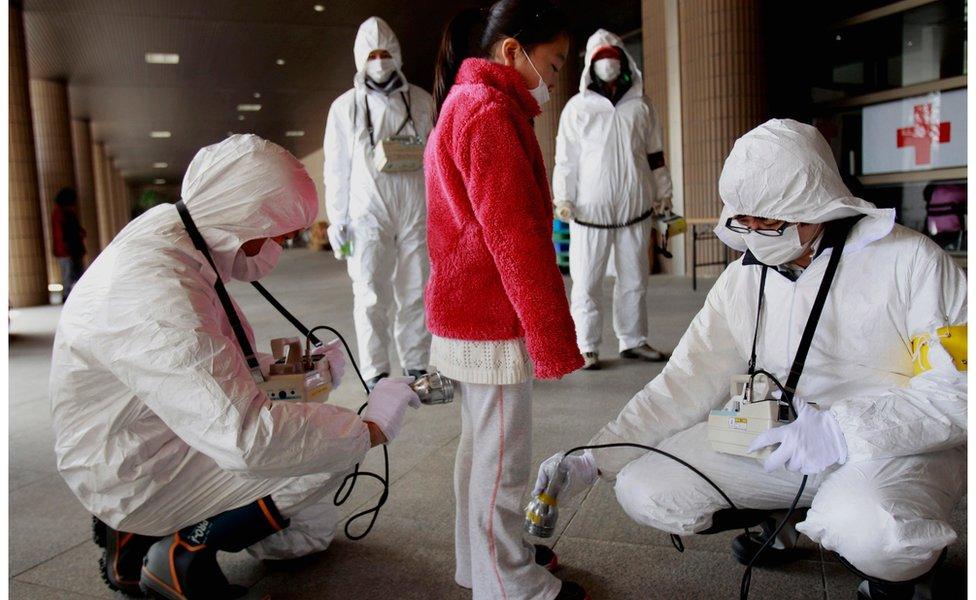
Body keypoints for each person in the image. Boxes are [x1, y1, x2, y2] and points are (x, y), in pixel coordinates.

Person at [534, 120, 967, 599]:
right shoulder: (744, 277)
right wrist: (597, 456)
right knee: (646, 485)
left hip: (884, 445)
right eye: (745, 221)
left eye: (771, 222)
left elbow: (960, 387)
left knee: (874, 531)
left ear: (817, 203)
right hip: (780, 437)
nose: (756, 235)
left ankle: (902, 572)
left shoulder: (910, 261)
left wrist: (845, 430)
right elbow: (686, 380)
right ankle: (783, 514)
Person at [50, 135, 421, 599]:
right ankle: (180, 549)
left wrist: (300, 369)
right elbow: (249, 436)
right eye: (279, 235)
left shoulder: (179, 240)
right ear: (245, 219)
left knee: (308, 533)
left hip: (150, 432)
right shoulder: (158, 288)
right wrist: (367, 428)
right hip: (134, 462)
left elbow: (214, 365)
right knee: (322, 455)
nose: (280, 247)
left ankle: (142, 533)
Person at [427, 2, 587, 599]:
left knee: (479, 454)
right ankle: (508, 585)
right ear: (513, 51)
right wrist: (550, 336)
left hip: (467, 310)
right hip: (491, 317)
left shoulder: (467, 105)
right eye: (553, 62)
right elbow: (515, 236)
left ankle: (483, 564)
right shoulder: (490, 113)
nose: (555, 77)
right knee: (502, 465)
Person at [324, 16, 436, 390]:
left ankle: (417, 362)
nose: (379, 60)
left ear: (398, 55)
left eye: (385, 52)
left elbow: (436, 158)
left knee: (416, 288)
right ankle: (375, 369)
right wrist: (337, 219)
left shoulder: (420, 101)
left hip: (415, 208)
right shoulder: (345, 107)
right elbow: (335, 168)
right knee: (370, 291)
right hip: (367, 213)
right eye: (372, 54)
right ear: (360, 58)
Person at [552, 29, 673, 371]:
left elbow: (655, 155)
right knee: (586, 281)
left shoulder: (642, 106)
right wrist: (563, 196)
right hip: (589, 212)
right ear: (590, 64)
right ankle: (586, 345)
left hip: (635, 208)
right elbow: (566, 159)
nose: (607, 63)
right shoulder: (577, 109)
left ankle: (633, 340)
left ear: (624, 61)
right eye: (601, 57)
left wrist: (664, 192)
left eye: (613, 56)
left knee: (634, 278)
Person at [51, 186, 87, 300]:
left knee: (74, 272)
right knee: (68, 274)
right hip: (66, 250)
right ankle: (67, 296)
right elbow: (60, 233)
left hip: (72, 249)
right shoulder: (59, 213)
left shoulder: (67, 212)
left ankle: (73, 295)